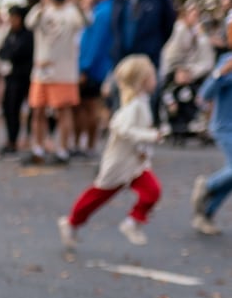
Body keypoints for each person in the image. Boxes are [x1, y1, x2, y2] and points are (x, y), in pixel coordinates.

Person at [57, 54, 161, 248]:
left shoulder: (143, 101)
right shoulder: (133, 106)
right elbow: (120, 127)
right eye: (152, 76)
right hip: (120, 162)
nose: (156, 80)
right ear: (142, 81)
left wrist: (146, 146)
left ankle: (132, 222)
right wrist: (150, 136)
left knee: (152, 191)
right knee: (98, 195)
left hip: (135, 163)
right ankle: (71, 223)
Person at [24, 0, 86, 165]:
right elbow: (29, 23)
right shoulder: (42, 10)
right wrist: (43, 4)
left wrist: (74, 2)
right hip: (41, 72)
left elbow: (84, 23)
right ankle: (38, 148)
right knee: (38, 111)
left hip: (64, 73)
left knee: (63, 112)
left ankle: (62, 150)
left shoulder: (72, 12)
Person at [191, 20, 232, 235]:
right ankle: (207, 186)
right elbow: (204, 95)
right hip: (225, 127)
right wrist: (220, 74)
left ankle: (205, 214)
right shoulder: (227, 62)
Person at [76, 0, 117, 157]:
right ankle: (87, 144)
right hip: (97, 66)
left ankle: (88, 145)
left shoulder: (102, 12)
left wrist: (85, 67)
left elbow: (95, 43)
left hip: (93, 68)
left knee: (88, 106)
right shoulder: (106, 10)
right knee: (89, 106)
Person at [0, 5, 34, 158]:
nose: (11, 20)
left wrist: (10, 54)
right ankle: (11, 139)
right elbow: (2, 52)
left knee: (29, 109)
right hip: (11, 77)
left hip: (24, 76)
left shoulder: (28, 35)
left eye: (15, 17)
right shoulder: (10, 34)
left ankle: (29, 138)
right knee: (9, 108)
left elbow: (18, 52)